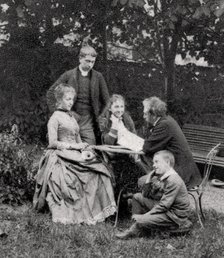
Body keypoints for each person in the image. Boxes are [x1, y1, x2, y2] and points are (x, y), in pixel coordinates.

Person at [33, 84, 116, 224]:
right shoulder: (54, 118)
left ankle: (98, 210)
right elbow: (52, 143)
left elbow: (78, 139)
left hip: (75, 154)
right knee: (72, 178)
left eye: (72, 99)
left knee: (99, 170)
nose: (71, 102)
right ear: (59, 100)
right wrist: (74, 146)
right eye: (67, 99)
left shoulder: (71, 117)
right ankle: (79, 214)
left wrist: (85, 149)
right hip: (60, 155)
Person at [116, 150, 192, 239]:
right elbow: (145, 195)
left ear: (167, 162)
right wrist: (149, 177)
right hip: (165, 209)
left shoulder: (173, 180)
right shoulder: (163, 176)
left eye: (157, 162)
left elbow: (164, 205)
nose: (153, 165)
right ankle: (137, 225)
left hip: (174, 215)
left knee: (142, 219)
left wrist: (144, 216)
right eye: (153, 162)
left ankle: (134, 230)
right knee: (137, 197)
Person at [46, 45, 110, 145]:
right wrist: (59, 113)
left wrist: (102, 117)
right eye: (88, 61)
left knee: (90, 149)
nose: (90, 64)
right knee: (69, 148)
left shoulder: (98, 77)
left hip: (88, 121)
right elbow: (50, 93)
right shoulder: (69, 75)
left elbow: (107, 101)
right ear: (80, 58)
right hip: (69, 118)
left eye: (93, 62)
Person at [138, 96, 201, 189]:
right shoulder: (167, 120)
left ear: (154, 114)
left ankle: (153, 202)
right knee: (148, 176)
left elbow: (147, 148)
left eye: (145, 114)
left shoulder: (164, 125)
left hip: (180, 174)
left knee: (142, 181)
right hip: (185, 171)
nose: (144, 117)